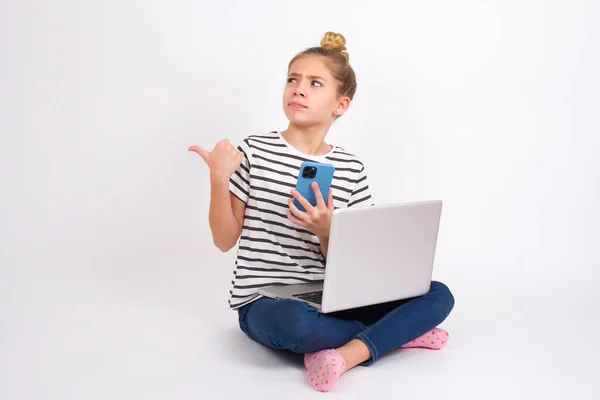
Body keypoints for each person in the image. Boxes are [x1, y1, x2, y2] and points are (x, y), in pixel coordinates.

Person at [188, 31, 455, 393]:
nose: (298, 89)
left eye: (315, 83)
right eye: (292, 79)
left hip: (335, 298)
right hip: (267, 302)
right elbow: (223, 240)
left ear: (340, 105)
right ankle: (393, 334)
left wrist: (327, 232)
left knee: (438, 293)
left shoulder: (351, 168)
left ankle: (346, 354)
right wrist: (219, 179)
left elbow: (359, 265)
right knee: (295, 326)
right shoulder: (254, 151)